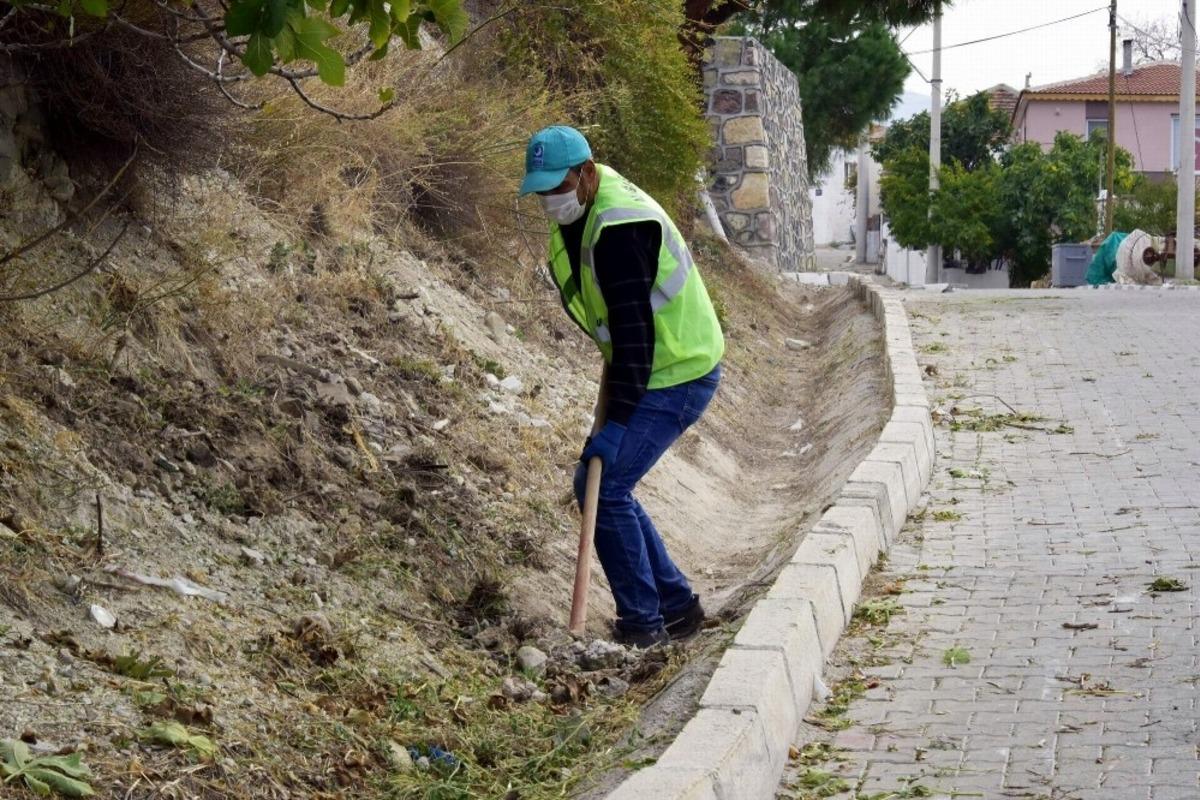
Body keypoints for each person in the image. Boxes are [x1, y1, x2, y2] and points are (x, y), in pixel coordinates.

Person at [517, 125, 725, 647]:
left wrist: (616, 426)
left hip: (677, 369)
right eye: (541, 190)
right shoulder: (584, 209)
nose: (550, 200)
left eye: (557, 186)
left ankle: (645, 626)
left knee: (604, 486)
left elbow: (636, 339)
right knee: (601, 483)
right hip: (648, 365)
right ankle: (676, 606)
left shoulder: (619, 228)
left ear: (587, 174)